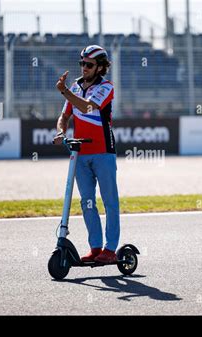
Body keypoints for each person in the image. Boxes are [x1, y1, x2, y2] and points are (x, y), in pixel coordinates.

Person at [54, 45, 120, 264]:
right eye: (82, 63)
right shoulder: (75, 87)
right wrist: (60, 132)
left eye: (89, 64)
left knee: (110, 202)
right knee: (88, 202)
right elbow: (64, 116)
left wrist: (66, 92)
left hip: (103, 151)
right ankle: (95, 247)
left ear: (100, 67)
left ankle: (110, 249)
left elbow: (87, 108)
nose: (84, 68)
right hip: (80, 153)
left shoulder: (106, 87)